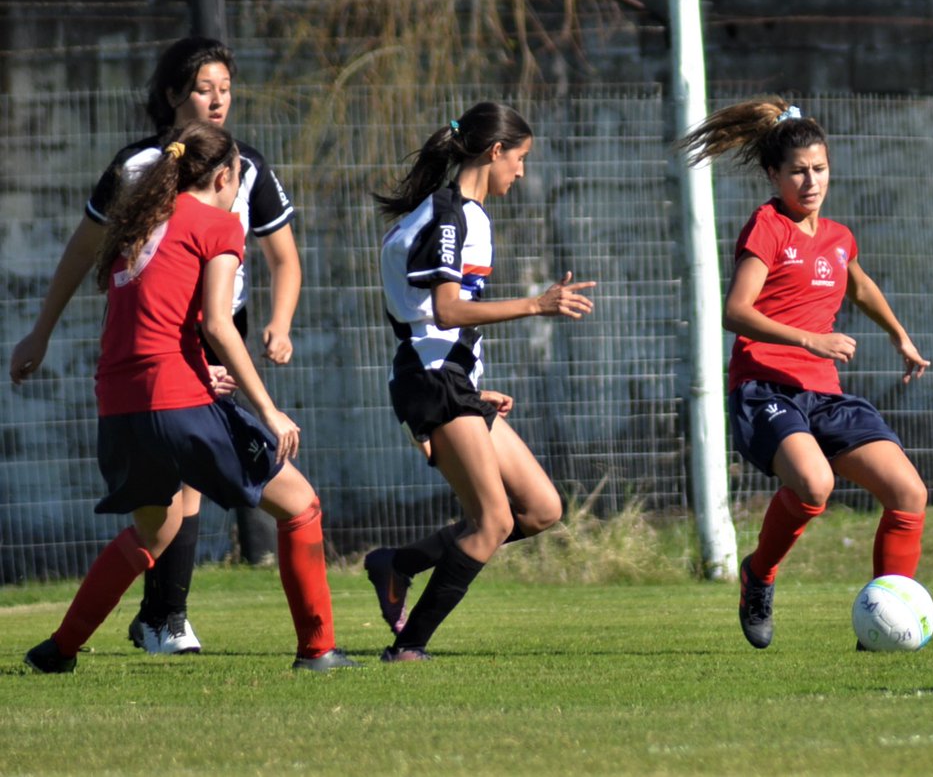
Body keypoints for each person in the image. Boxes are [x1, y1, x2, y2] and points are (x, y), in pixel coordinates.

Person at [22, 121, 356, 673]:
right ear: (225, 176)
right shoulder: (219, 225)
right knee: (301, 506)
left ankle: (58, 650)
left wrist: (199, 370)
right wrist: (268, 410)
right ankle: (318, 651)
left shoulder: (137, 226)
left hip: (121, 406)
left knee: (155, 531)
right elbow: (221, 326)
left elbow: (147, 323)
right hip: (176, 403)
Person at [9, 36, 301, 655]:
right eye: (203, 88)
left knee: (177, 492)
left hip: (219, 332)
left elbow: (285, 257)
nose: (218, 100)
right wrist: (41, 329)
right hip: (163, 336)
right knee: (184, 489)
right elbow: (83, 252)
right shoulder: (136, 166)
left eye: (226, 88)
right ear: (172, 95)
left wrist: (281, 320)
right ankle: (164, 617)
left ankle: (150, 620)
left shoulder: (246, 167)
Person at [678, 97, 930, 650]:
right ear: (774, 173)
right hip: (765, 386)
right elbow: (735, 311)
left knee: (909, 493)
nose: (810, 181)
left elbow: (856, 282)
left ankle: (883, 626)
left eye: (819, 169)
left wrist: (899, 334)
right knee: (814, 485)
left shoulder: (838, 237)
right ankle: (759, 575)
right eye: (797, 171)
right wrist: (810, 339)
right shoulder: (767, 227)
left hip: (824, 394)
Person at [364, 101, 595, 662]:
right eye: (518, 159)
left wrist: (472, 383)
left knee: (541, 509)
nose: (521, 171)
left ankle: (400, 562)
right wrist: (537, 305)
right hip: (432, 377)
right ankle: (409, 647)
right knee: (492, 521)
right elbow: (444, 311)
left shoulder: (462, 214)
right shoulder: (449, 217)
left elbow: (430, 312)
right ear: (494, 152)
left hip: (449, 378)